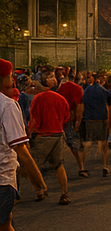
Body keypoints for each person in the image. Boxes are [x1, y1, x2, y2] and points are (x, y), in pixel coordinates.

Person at [0, 59, 46, 231]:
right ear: (6, 79)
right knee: (4, 223)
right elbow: (21, 149)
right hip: (2, 176)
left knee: (6, 224)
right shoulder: (7, 105)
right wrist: (38, 179)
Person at [28, 73, 72, 204]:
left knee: (33, 165)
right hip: (58, 133)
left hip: (43, 136)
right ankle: (64, 193)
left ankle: (39, 190)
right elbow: (66, 116)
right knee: (59, 165)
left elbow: (35, 119)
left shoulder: (38, 98)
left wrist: (31, 132)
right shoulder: (60, 98)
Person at [82, 72, 111, 176]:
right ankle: (105, 166)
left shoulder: (87, 90)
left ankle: (83, 166)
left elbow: (83, 103)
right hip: (102, 118)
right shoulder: (103, 91)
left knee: (87, 142)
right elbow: (109, 104)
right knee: (104, 143)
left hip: (89, 118)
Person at [57, 73, 87, 177]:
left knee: (73, 144)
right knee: (77, 144)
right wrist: (78, 121)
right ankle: (82, 167)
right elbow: (79, 106)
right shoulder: (77, 89)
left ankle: (81, 166)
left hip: (65, 119)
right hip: (74, 118)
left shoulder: (60, 89)